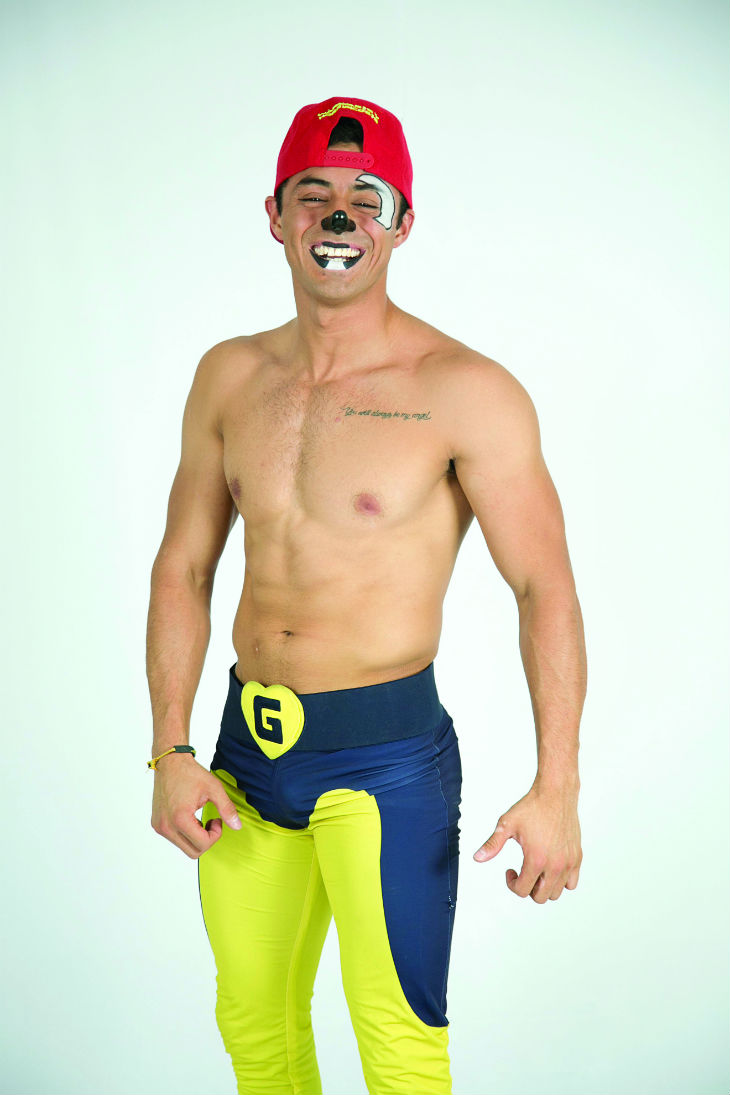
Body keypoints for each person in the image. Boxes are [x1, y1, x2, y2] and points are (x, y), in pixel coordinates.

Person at [147, 95, 587, 1095]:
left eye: (365, 196)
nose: (338, 216)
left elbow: (544, 586)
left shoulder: (465, 389)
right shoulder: (229, 376)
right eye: (313, 195)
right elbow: (183, 567)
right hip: (244, 760)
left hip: (386, 769)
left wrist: (557, 783)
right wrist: (170, 748)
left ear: (401, 223)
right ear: (275, 216)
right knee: (255, 1030)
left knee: (398, 1046)